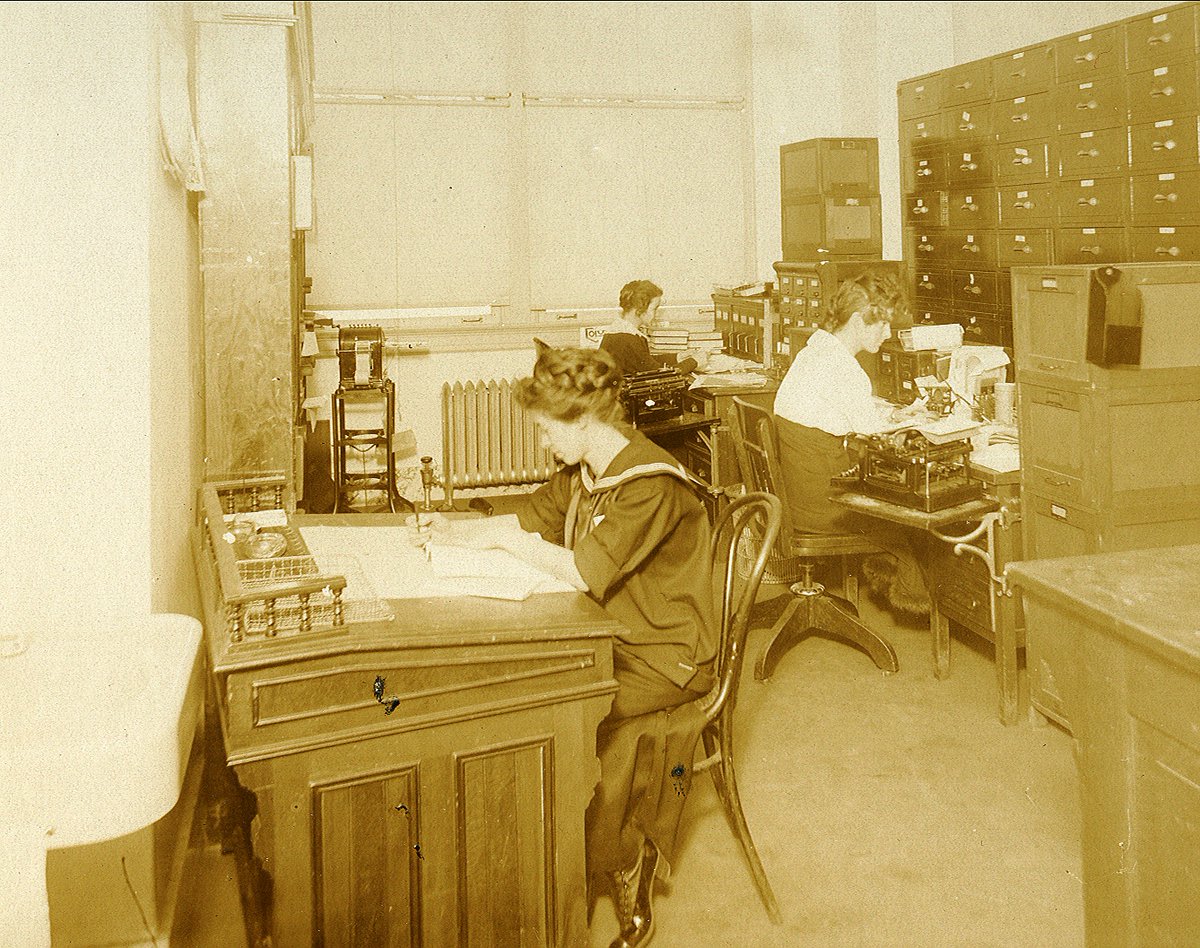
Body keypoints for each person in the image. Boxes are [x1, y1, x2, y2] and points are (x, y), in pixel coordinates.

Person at [455, 345, 716, 948]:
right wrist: (461, 530)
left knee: (554, 708)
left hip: (666, 652)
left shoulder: (646, 482)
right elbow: (533, 518)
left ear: (584, 420)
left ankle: (623, 861)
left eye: (548, 429)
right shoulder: (585, 470)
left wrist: (499, 544)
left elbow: (580, 570)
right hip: (616, 631)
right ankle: (542, 848)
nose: (545, 443)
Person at [772, 270, 931, 617]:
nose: (888, 333)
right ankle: (923, 600)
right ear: (860, 320)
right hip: (824, 506)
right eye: (884, 324)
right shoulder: (845, 369)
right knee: (917, 515)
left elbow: (847, 416)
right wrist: (915, 421)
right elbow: (876, 436)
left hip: (796, 493)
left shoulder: (813, 351)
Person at [601, 279, 703, 378]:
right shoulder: (627, 339)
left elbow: (645, 362)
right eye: (654, 309)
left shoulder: (620, 332)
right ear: (640, 309)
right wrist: (694, 362)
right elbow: (660, 375)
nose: (656, 314)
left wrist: (678, 357)